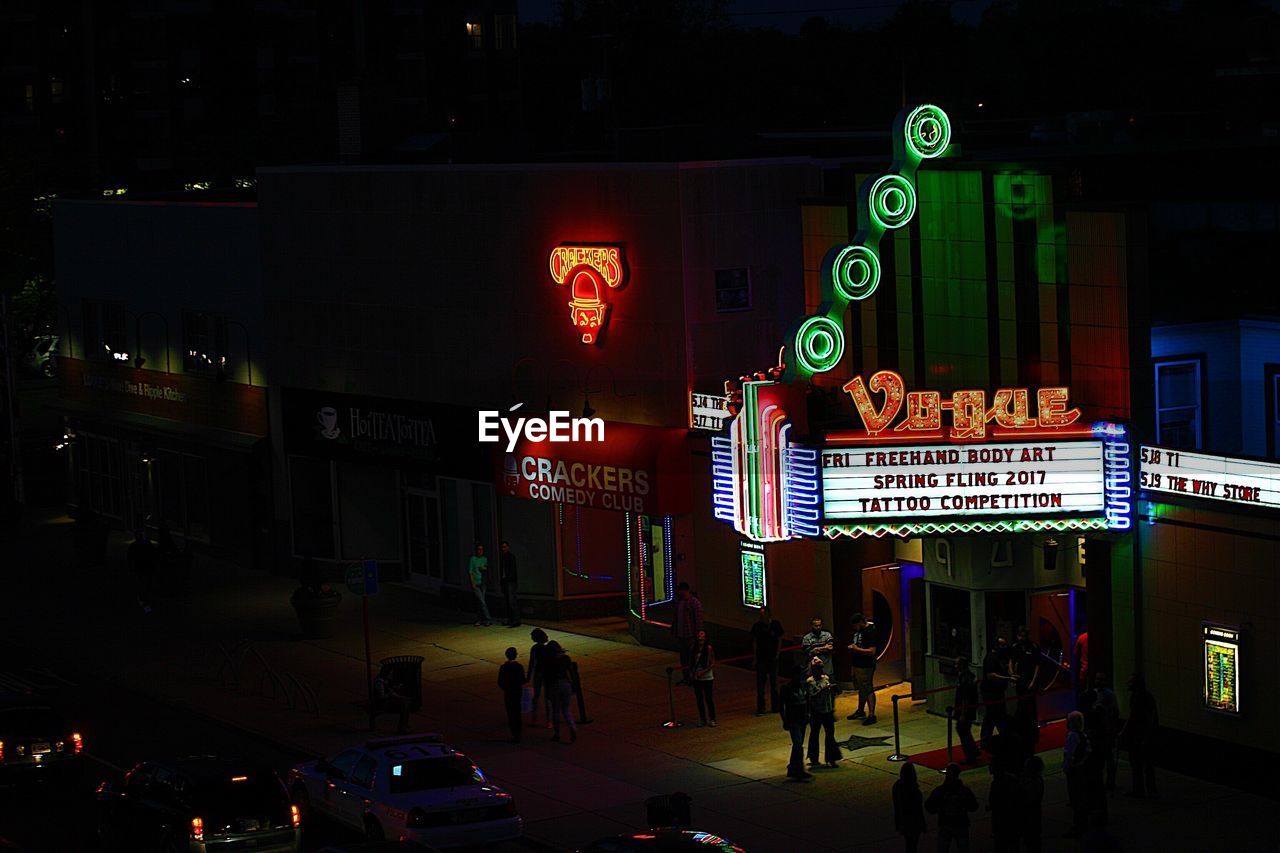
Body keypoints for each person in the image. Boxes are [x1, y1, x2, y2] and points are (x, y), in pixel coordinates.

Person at [1119, 672, 1159, 798]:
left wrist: (1123, 732)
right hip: (1146, 735)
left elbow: (1132, 717)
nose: (1128, 684)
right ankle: (1151, 789)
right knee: (1148, 764)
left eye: (1130, 682)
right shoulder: (1148, 696)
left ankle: (1139, 790)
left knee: (1137, 764)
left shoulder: (1135, 697)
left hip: (1138, 735)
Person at [924, 763, 979, 852]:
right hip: (961, 823)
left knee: (943, 848)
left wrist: (940, 806)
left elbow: (929, 807)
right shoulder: (964, 790)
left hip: (946, 823)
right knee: (963, 848)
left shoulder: (940, 791)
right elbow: (974, 807)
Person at [1083, 671, 1119, 792]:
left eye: (1101, 679)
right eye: (1097, 679)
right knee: (1100, 758)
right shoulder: (1094, 693)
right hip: (1097, 730)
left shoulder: (1109, 694)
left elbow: (1115, 712)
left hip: (1106, 730)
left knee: (1108, 757)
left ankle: (1110, 782)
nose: (1098, 681)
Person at [980, 637, 1015, 751]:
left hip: (998, 690)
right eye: (1002, 645)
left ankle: (986, 740)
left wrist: (1011, 673)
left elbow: (1009, 662)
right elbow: (990, 675)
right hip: (990, 691)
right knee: (995, 715)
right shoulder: (991, 658)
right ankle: (996, 739)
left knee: (992, 716)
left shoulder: (1001, 656)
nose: (1005, 648)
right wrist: (1008, 678)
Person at [778, 666, 812, 781]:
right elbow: (780, 706)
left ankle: (793, 768)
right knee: (798, 744)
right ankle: (798, 770)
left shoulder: (803, 686)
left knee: (798, 745)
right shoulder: (786, 689)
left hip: (802, 719)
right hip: (793, 720)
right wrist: (784, 720)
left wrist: (808, 714)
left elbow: (807, 701)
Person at [1011, 625, 1042, 748]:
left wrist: (1034, 681)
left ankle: (1033, 734)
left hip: (1030, 681)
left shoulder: (1034, 647)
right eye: (1020, 636)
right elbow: (1011, 661)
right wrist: (1012, 675)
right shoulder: (1015, 647)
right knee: (1021, 706)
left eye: (1023, 636)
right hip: (1020, 681)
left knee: (1031, 708)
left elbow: (1038, 665)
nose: (1021, 638)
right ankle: (1021, 732)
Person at [806, 658, 840, 768]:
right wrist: (823, 689)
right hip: (816, 711)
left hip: (828, 710)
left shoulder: (826, 678)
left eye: (821, 668)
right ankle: (813, 758)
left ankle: (832, 758)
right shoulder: (810, 681)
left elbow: (832, 695)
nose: (820, 670)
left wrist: (833, 708)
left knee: (830, 735)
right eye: (818, 668)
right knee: (814, 734)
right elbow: (812, 696)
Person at [846, 611, 879, 725]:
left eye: (855, 625)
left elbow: (872, 651)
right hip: (857, 664)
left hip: (866, 665)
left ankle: (872, 714)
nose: (854, 628)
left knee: (867, 687)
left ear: (860, 622)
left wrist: (856, 649)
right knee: (861, 688)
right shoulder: (858, 631)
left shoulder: (870, 632)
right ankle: (860, 710)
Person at [1062, 710, 1091, 837]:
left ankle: (1078, 825)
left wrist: (1067, 767)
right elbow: (1087, 751)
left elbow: (1069, 754)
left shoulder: (1072, 736)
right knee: (1081, 797)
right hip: (1081, 768)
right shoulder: (1082, 735)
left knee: (1075, 797)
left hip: (1074, 770)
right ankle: (1082, 824)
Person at [751, 606, 784, 716]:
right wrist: (755, 658)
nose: (761, 617)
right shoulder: (757, 626)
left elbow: (779, 640)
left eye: (762, 614)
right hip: (761, 658)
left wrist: (777, 654)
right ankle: (761, 708)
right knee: (760, 684)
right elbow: (755, 642)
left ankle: (776, 706)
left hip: (772, 658)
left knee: (774, 683)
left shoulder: (775, 625)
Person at [544, 641, 577, 743]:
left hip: (554, 685)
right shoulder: (566, 658)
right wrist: (573, 685)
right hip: (566, 684)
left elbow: (547, 677)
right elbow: (571, 673)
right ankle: (572, 727)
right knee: (566, 709)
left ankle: (557, 734)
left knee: (556, 711)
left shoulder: (549, 661)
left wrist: (547, 691)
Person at [672, 582, 703, 685]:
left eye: (680, 590)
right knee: (684, 659)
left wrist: (698, 636)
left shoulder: (694, 603)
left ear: (685, 590)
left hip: (691, 636)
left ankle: (694, 678)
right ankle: (686, 678)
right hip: (681, 636)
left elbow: (698, 621)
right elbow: (676, 619)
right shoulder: (679, 602)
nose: (678, 592)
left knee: (692, 659)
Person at [892, 761, 927, 853]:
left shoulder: (897, 786)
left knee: (909, 844)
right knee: (912, 845)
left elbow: (897, 805)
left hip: (903, 820)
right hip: (913, 821)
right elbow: (918, 808)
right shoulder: (913, 789)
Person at [953, 655, 981, 764]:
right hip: (968, 708)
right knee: (965, 731)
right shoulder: (969, 676)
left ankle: (970, 755)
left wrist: (963, 714)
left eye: (957, 664)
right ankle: (973, 751)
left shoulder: (965, 678)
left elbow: (965, 697)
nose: (955, 666)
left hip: (966, 710)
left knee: (963, 730)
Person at [987, 763, 1021, 853]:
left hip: (1002, 813)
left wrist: (992, 806)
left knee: (1001, 835)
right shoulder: (1010, 779)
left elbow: (995, 798)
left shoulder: (998, 782)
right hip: (1009, 812)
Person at [497, 647, 526, 743]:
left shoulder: (504, 667)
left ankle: (514, 732)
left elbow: (500, 681)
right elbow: (522, 680)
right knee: (517, 712)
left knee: (510, 713)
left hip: (509, 692)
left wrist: (506, 688)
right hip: (517, 692)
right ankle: (519, 733)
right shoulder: (519, 667)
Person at [690, 630, 717, 727]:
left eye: (702, 635)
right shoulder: (693, 648)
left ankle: (712, 718)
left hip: (707, 677)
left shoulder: (708, 649)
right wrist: (693, 673)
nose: (700, 637)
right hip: (697, 677)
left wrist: (703, 672)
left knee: (708, 698)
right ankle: (702, 718)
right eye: (699, 634)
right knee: (699, 699)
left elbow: (712, 663)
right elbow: (692, 662)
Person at [527, 628, 553, 728]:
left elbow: (531, 662)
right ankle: (549, 721)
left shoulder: (535, 648)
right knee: (547, 697)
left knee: (536, 696)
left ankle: (534, 718)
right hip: (547, 673)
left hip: (538, 673)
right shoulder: (547, 648)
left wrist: (528, 676)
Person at [128, 527, 158, 613]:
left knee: (143, 584)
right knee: (146, 584)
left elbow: (130, 557)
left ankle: (144, 601)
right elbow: (154, 555)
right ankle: (146, 601)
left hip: (142, 567)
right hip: (145, 567)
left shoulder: (134, 546)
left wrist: (131, 567)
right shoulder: (147, 544)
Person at [1020, 756, 1045, 853]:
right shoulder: (1037, 780)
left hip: (1030, 813)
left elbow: (1029, 798)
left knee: (1032, 837)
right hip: (1034, 812)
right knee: (1033, 837)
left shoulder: (1033, 782)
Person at [372, 670, 410, 734]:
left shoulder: (385, 681)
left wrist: (402, 697)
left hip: (386, 702)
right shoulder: (379, 683)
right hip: (382, 704)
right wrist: (391, 691)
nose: (391, 675)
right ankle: (402, 727)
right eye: (390, 674)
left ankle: (404, 725)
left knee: (406, 702)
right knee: (404, 704)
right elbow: (382, 697)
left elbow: (391, 693)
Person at [468, 543, 492, 626]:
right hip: (476, 583)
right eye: (479, 549)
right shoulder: (472, 559)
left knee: (480, 602)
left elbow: (487, 568)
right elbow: (470, 572)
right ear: (476, 550)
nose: (480, 551)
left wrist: (484, 568)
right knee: (482, 602)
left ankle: (479, 619)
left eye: (481, 549)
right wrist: (472, 583)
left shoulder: (484, 559)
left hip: (483, 583)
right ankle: (488, 619)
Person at [498, 541, 521, 627]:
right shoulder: (503, 557)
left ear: (508, 547)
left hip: (510, 581)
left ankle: (515, 620)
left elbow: (512, 570)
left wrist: (509, 579)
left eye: (505, 547)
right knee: (508, 601)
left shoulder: (511, 557)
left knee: (512, 601)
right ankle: (511, 619)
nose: (503, 549)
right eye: (502, 547)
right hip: (506, 581)